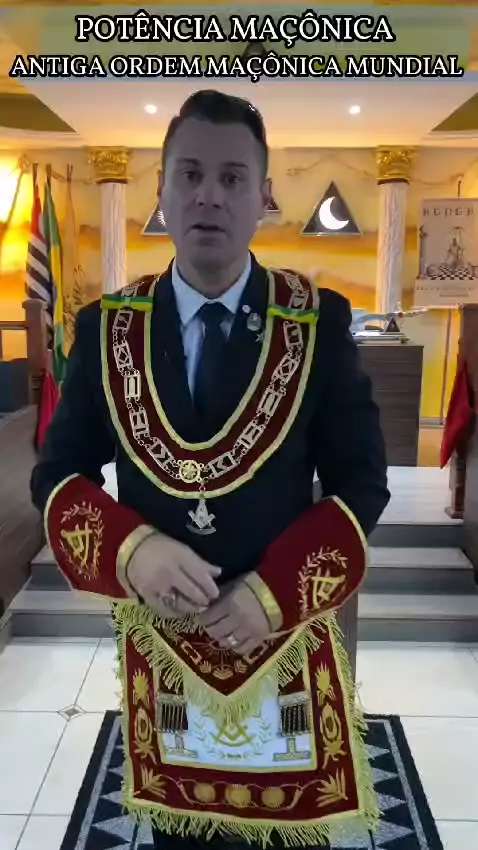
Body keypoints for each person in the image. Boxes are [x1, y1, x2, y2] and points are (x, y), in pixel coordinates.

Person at [31, 89, 390, 850]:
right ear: (161, 192)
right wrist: (132, 550)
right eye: (190, 174)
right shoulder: (107, 329)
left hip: (281, 633)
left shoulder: (314, 322)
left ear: (263, 197)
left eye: (232, 178)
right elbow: (57, 477)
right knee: (181, 831)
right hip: (165, 641)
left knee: (286, 831)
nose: (209, 196)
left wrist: (273, 593)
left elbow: (361, 485)